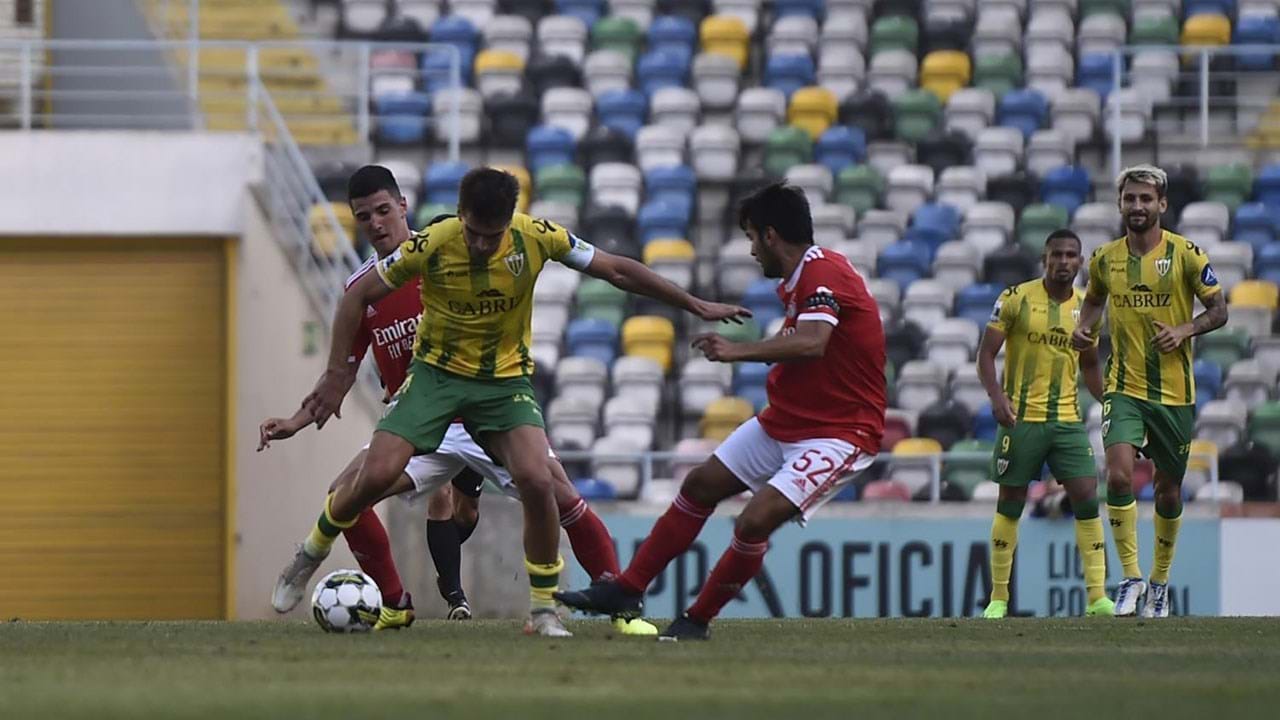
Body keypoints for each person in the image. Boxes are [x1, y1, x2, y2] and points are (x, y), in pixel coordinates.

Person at [283, 166, 749, 637]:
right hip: (433, 393)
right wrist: (331, 381)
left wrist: (694, 304)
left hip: (497, 392)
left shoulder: (535, 236)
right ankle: (363, 582)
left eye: (493, 235)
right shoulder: (427, 248)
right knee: (358, 485)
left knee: (546, 486)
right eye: (473, 234)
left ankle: (611, 612)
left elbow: (616, 268)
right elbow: (354, 305)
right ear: (459, 216)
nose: (483, 246)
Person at [555, 182, 886, 640]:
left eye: (752, 237)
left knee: (754, 520)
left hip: (840, 432)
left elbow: (814, 343)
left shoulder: (823, 272)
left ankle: (696, 620)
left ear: (771, 235)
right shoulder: (803, 278)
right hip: (787, 421)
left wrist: (736, 352)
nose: (751, 250)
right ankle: (627, 589)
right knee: (700, 484)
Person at [1072, 164, 1228, 618]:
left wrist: (1184, 330)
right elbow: (1094, 301)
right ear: (1120, 205)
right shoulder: (1103, 258)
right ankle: (1132, 577)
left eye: (1145, 199)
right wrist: (1085, 330)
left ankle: (1160, 583)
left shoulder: (1186, 254)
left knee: (1168, 490)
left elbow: (1219, 310)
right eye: (1129, 199)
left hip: (1175, 393)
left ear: (1162, 204)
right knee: (1118, 476)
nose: (1137, 206)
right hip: (1123, 386)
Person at [978, 229, 1113, 619]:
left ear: (1081, 262)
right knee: (1010, 504)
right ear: (1045, 258)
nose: (1064, 262)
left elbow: (1089, 365)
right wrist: (998, 399)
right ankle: (999, 598)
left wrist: (1109, 405)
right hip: (1022, 419)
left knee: (1087, 495)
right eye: (1057, 255)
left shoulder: (1088, 307)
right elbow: (986, 355)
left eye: (1072, 255)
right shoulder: (1016, 298)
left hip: (1067, 419)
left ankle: (1097, 597)